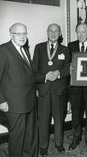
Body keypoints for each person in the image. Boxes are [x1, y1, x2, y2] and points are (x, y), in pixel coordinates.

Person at [0, 23, 38, 157]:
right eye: (19, 33)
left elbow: (30, 74)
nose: (23, 37)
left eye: (25, 33)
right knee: (17, 138)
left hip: (30, 101)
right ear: (11, 35)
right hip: (14, 104)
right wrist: (1, 101)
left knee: (31, 136)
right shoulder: (3, 50)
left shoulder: (25, 49)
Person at [33, 23, 70, 156]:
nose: (53, 33)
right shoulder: (39, 47)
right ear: (47, 32)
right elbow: (34, 70)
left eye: (56, 31)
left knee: (59, 119)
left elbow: (68, 68)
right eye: (51, 31)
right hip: (43, 90)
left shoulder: (65, 50)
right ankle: (43, 145)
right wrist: (44, 77)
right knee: (43, 120)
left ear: (60, 34)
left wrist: (58, 73)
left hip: (59, 90)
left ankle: (59, 144)